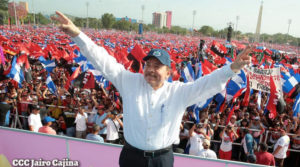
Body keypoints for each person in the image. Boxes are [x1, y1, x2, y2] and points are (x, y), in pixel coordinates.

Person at [51, 11, 252, 167]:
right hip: (131, 157)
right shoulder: (128, 81)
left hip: (162, 160)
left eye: (157, 66)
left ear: (169, 72)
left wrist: (232, 68)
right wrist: (77, 34)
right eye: (148, 65)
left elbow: (208, 84)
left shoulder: (179, 92)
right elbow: (102, 59)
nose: (151, 70)